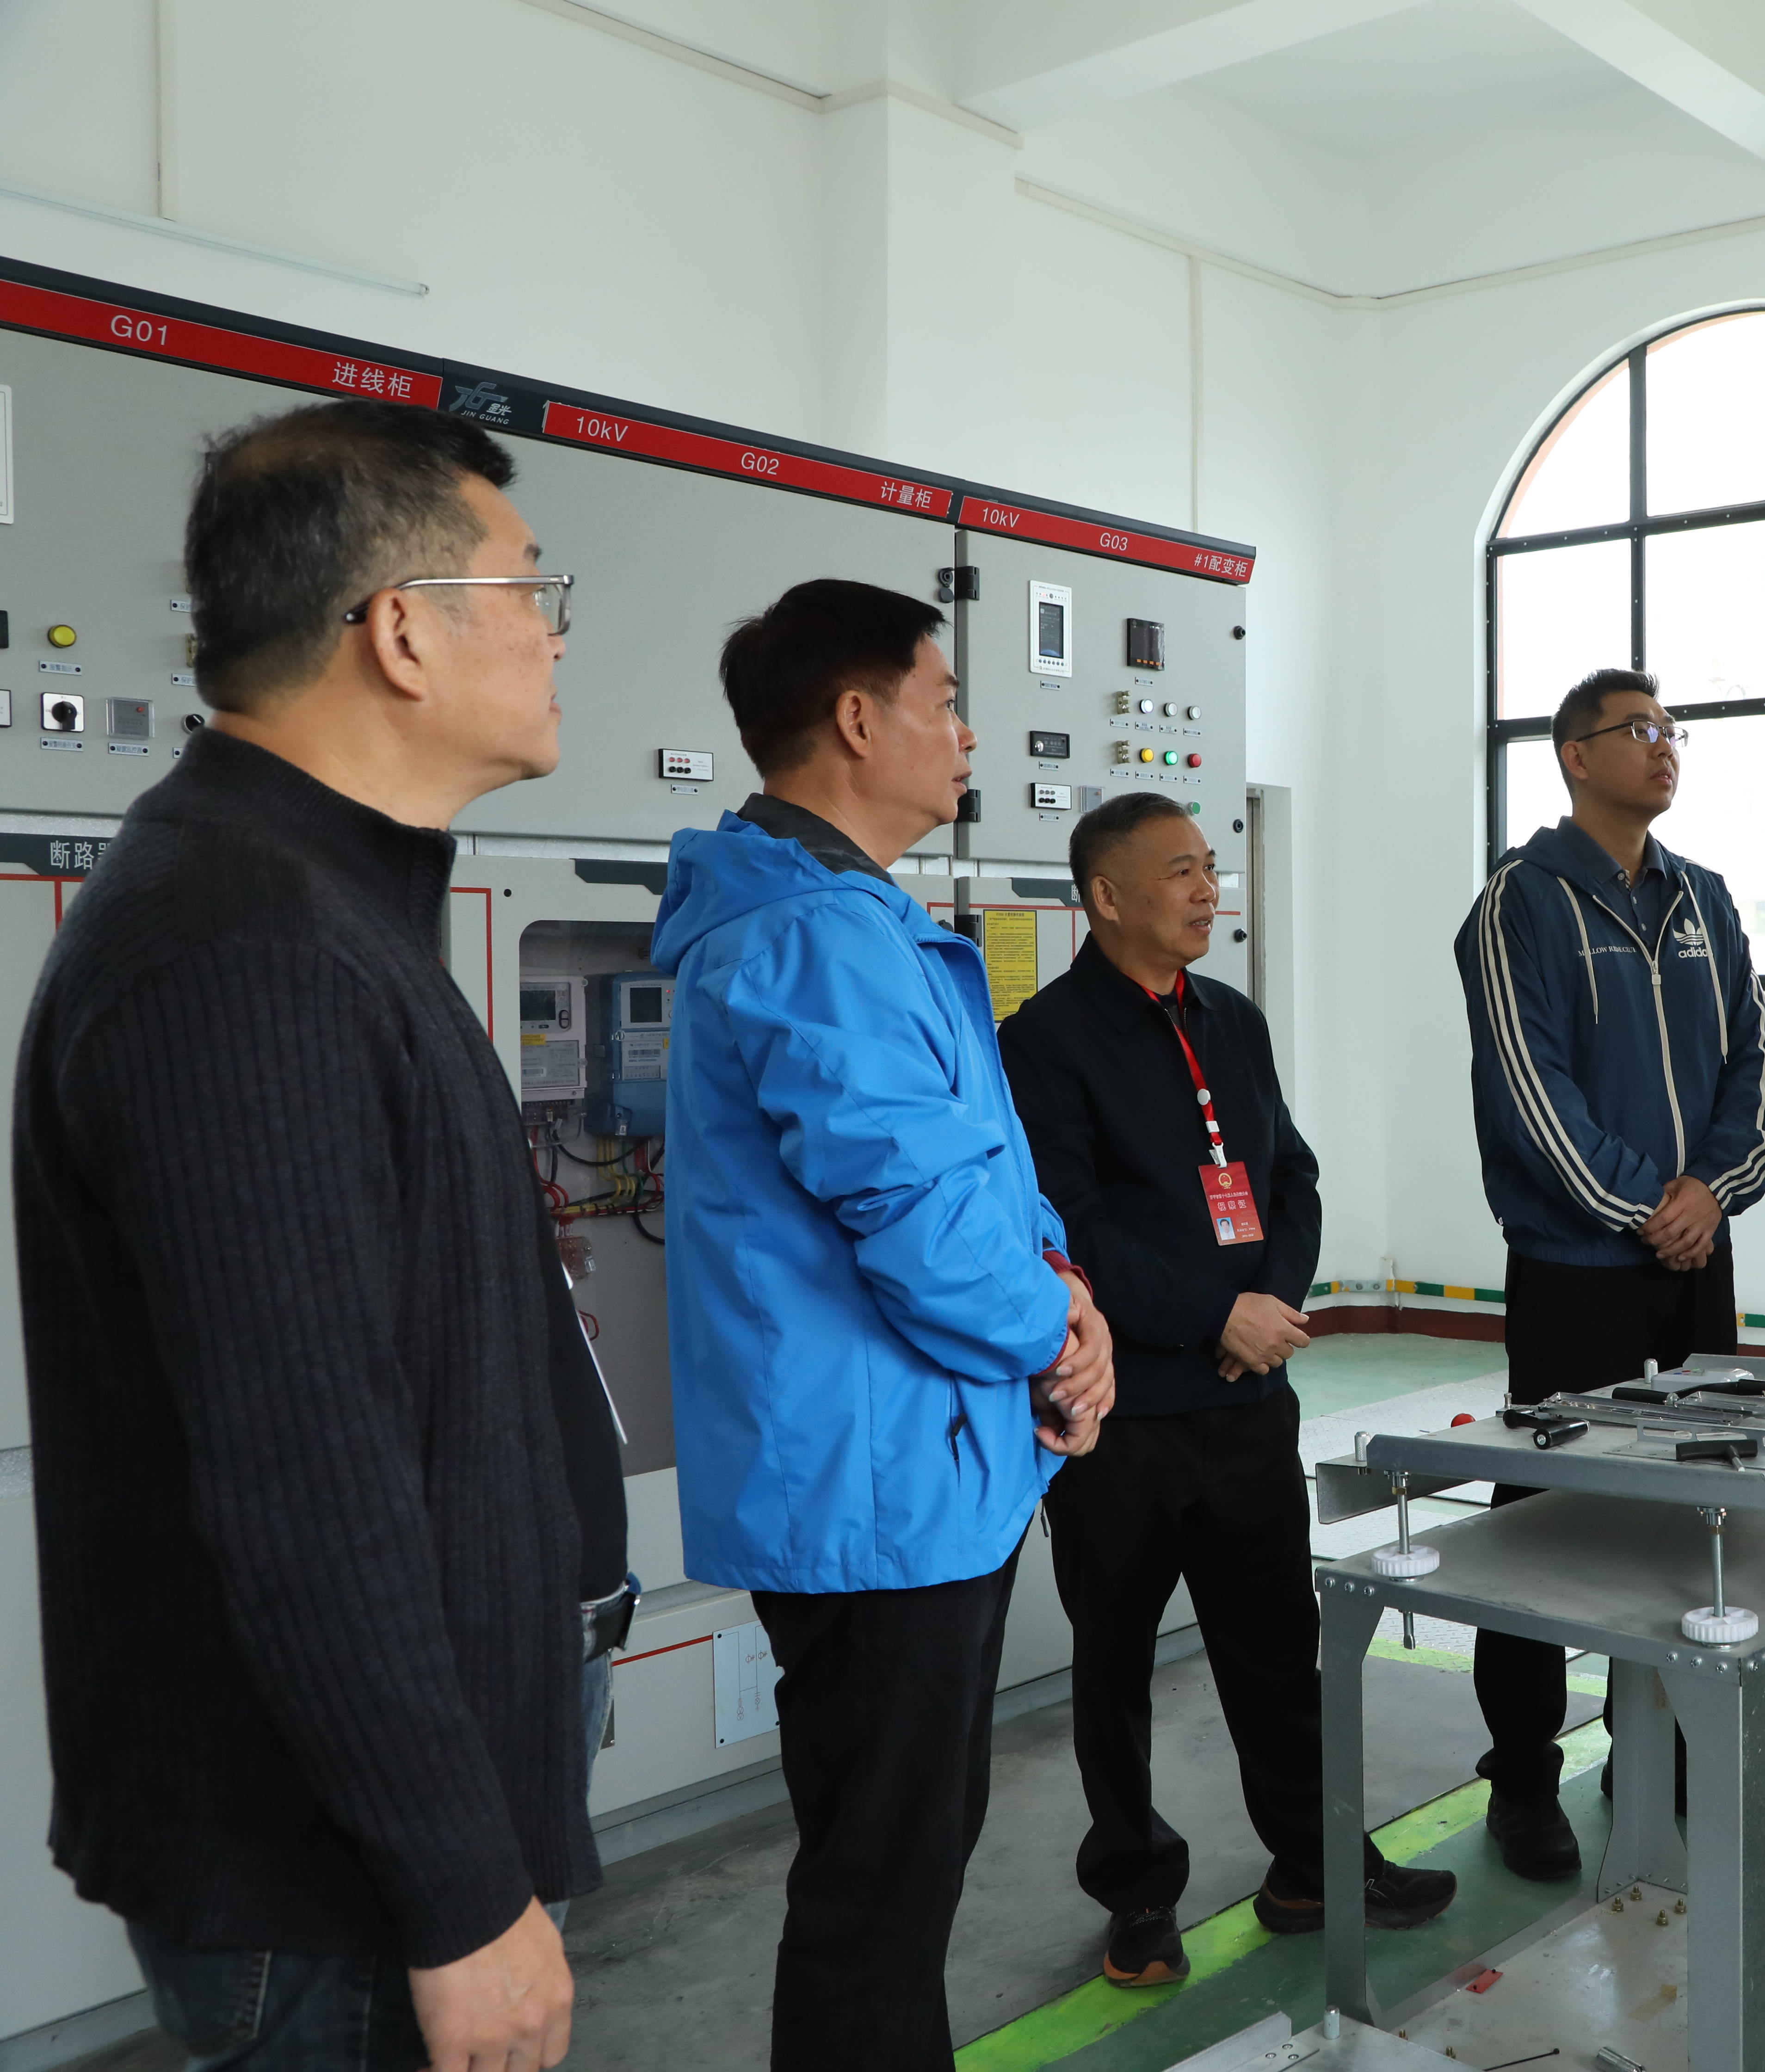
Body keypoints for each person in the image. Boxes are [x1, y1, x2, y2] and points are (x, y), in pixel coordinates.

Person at [18, 400, 608, 2072]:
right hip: (335, 1888)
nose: (557, 633)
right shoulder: (244, 947)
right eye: (530, 587)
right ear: (402, 632)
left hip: (393, 1845)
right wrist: (461, 1899)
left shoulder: (323, 906)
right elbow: (308, 1488)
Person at [654, 580, 1116, 2072]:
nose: (968, 735)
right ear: (858, 721)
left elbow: (974, 1174)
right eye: (945, 701)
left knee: (898, 1874)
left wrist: (1067, 1296)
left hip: (907, 1466)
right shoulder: (816, 938)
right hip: (876, 1489)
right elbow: (919, 1221)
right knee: (881, 1890)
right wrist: (1056, 1335)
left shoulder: (846, 922)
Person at [1001, 792, 1456, 1987]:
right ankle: (1137, 1895)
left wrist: (1271, 1307)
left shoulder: (1232, 1020)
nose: (1210, 890)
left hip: (1249, 1405)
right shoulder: (1045, 1042)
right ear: (1105, 897)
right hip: (1122, 1417)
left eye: (1212, 867)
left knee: (1276, 1651)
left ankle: (1313, 1866)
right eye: (1180, 872)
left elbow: (1291, 1174)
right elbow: (1068, 1227)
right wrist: (1216, 1316)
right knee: (1113, 1669)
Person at [1450, 666, 1765, 1880]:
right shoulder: (1521, 902)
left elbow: (1755, 1065)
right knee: (1547, 1517)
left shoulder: (1705, 897)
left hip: (1695, 1260)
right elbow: (1531, 1090)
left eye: (1672, 729)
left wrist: (1712, 1194)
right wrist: (1651, 1207)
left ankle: (1664, 1745)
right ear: (1576, 756)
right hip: (1577, 1266)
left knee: (1696, 1509)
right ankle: (1521, 1777)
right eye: (1638, 729)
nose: (1664, 746)